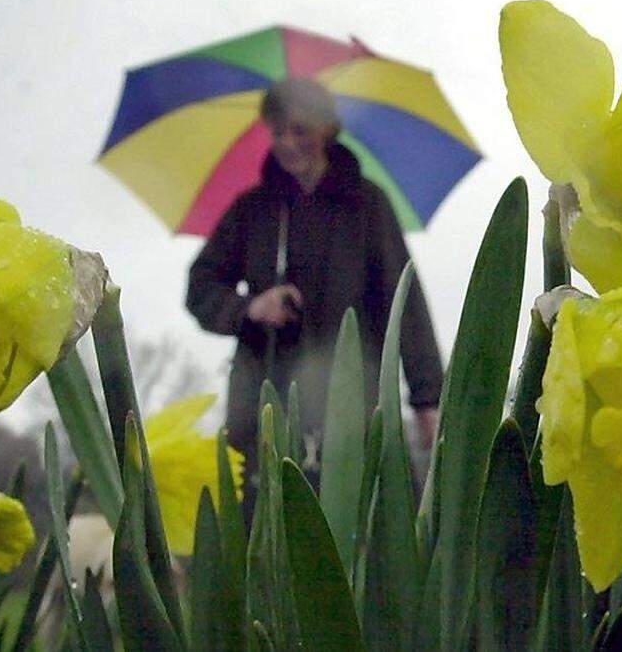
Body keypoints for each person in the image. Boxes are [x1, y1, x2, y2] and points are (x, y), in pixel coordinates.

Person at [186, 78, 443, 521]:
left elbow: (407, 304)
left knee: (361, 531)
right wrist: (250, 308)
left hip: (353, 405)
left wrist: (427, 399)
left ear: (327, 129)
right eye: (278, 130)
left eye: (300, 129)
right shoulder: (252, 209)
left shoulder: (368, 205)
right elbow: (200, 286)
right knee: (263, 535)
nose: (287, 142)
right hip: (262, 405)